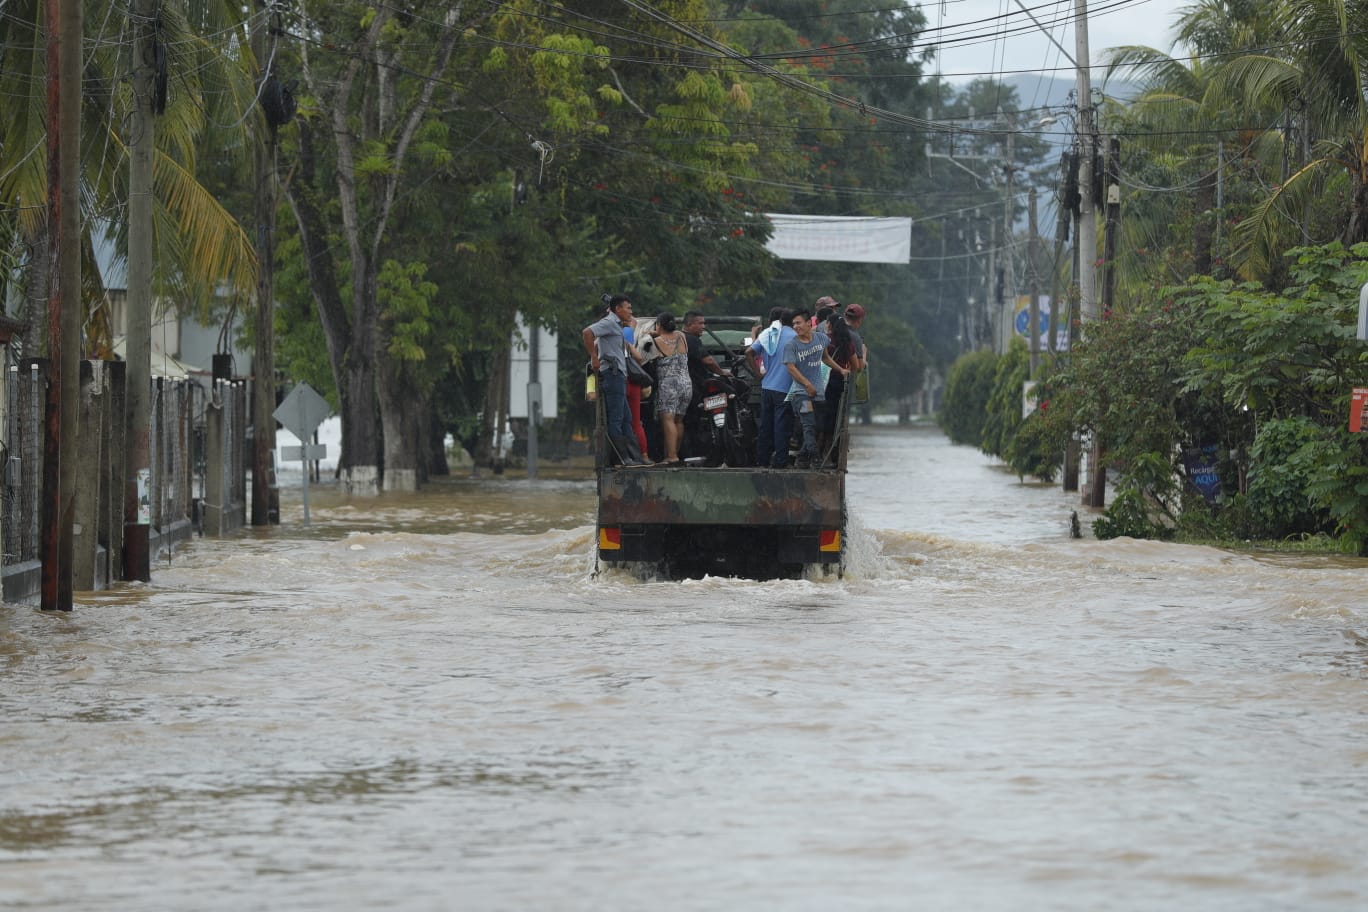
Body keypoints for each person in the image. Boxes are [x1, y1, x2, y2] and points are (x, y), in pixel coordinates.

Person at [581, 294, 646, 466]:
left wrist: (619, 310)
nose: (631, 312)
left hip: (620, 375)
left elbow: (631, 326)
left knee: (626, 418)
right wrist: (594, 357)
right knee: (617, 419)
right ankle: (622, 458)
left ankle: (633, 457)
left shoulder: (618, 325)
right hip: (613, 374)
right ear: (618, 309)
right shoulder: (609, 323)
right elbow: (587, 332)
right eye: (628, 308)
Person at [783, 308, 848, 469]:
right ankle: (816, 458)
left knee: (818, 426)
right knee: (808, 426)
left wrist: (840, 369)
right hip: (801, 395)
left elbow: (825, 357)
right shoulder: (791, 345)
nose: (796, 327)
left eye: (798, 323)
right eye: (793, 324)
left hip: (818, 394)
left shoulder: (821, 339)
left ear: (808, 323)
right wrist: (807, 385)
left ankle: (803, 458)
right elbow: (791, 368)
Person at [746, 306, 795, 468]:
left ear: (780, 321)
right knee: (781, 427)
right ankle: (780, 462)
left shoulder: (768, 335)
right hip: (784, 389)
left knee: (765, 426)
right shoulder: (795, 337)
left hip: (767, 387)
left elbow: (749, 352)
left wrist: (758, 375)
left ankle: (762, 461)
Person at [644, 312, 691, 465]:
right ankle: (675, 453)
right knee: (679, 420)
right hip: (686, 384)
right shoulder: (680, 336)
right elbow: (667, 333)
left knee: (667, 420)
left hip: (669, 385)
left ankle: (671, 456)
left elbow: (642, 357)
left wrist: (649, 333)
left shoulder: (656, 342)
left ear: (659, 325)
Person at [818, 310, 864, 463]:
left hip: (819, 382)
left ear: (829, 325)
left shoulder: (822, 339)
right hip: (837, 383)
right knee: (834, 418)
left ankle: (813, 451)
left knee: (817, 416)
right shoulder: (849, 343)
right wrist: (864, 354)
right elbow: (857, 367)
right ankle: (828, 453)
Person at [621, 314, 652, 461]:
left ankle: (624, 457)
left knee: (618, 422)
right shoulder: (627, 334)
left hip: (618, 381)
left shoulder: (603, 336)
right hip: (632, 382)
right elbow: (638, 358)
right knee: (636, 422)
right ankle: (644, 455)